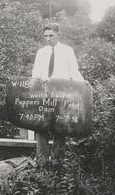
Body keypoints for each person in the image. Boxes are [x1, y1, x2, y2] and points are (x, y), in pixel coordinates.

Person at [31, 23, 84, 161]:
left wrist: (83, 83)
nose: (48, 39)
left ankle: (57, 162)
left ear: (58, 35)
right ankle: (42, 161)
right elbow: (35, 74)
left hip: (61, 93)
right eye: (46, 36)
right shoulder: (41, 52)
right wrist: (35, 87)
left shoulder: (67, 51)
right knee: (41, 125)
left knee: (60, 126)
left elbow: (74, 72)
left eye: (51, 36)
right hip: (44, 93)